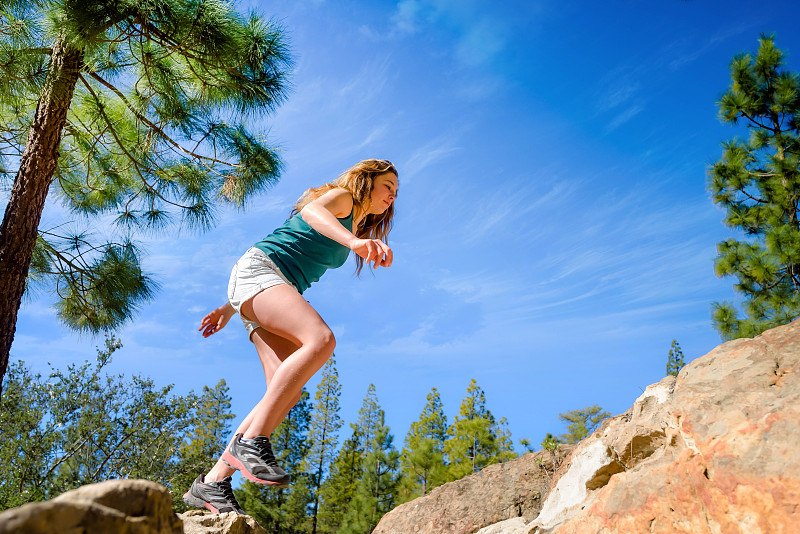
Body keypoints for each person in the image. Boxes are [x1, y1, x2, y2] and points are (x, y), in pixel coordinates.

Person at [182, 159, 398, 514]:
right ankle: (251, 441)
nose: (392, 196)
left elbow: (285, 251)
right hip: (260, 274)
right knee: (321, 339)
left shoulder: (356, 223)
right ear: (366, 182)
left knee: (286, 391)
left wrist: (228, 308)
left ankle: (212, 483)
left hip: (263, 287)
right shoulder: (343, 198)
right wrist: (353, 242)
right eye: (387, 186)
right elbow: (312, 213)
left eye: (395, 192)